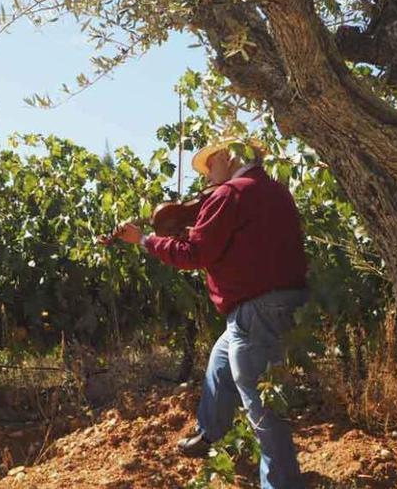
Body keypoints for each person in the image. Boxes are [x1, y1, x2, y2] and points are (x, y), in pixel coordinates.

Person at [111, 138, 309, 489]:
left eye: (210, 164)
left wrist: (144, 241)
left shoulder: (229, 194)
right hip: (281, 302)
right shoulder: (276, 190)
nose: (207, 175)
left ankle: (281, 484)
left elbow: (193, 254)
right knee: (220, 364)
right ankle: (209, 434)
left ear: (227, 157)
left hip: (254, 309)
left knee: (262, 407)